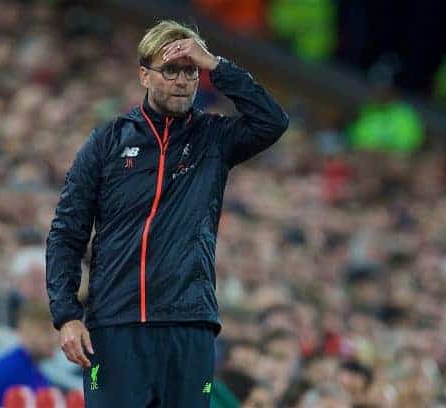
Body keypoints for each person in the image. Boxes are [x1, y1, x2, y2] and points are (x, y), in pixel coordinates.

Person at [46, 19, 289, 407]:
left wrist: (215, 65)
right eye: (170, 69)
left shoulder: (215, 137)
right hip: (114, 324)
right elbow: (66, 231)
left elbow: (273, 121)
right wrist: (66, 314)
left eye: (190, 70)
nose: (181, 79)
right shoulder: (108, 141)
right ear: (144, 75)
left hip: (189, 324)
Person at [0, 301, 58, 405]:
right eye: (46, 331)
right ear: (24, 330)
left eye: (57, 332)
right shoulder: (5, 371)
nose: (55, 339)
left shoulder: (39, 374)